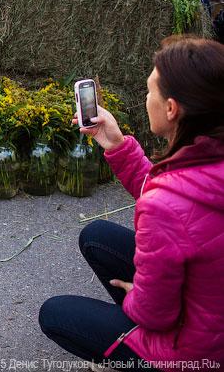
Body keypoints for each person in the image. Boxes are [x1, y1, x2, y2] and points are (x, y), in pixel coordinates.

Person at [39, 35, 224, 367]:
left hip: (194, 352)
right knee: (96, 236)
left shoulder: (163, 207)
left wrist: (135, 297)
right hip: (213, 318)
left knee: (55, 314)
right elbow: (180, 198)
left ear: (171, 109)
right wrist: (116, 144)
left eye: (151, 90)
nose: (146, 97)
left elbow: (156, 314)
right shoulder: (211, 157)